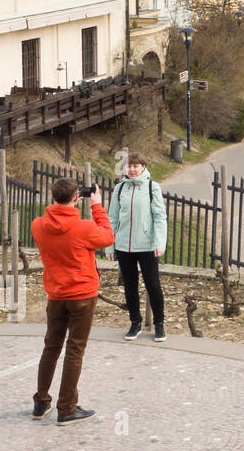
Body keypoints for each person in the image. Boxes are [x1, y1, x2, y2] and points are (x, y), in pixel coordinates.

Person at [31, 178, 113, 424]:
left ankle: (41, 402)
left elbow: (54, 225)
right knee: (75, 350)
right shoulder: (84, 228)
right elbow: (108, 237)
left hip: (55, 294)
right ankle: (66, 407)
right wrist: (97, 206)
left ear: (52, 196)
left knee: (51, 347)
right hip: (82, 295)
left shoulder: (37, 225)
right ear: (78, 198)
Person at [105, 153, 168, 343]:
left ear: (143, 167)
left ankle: (159, 324)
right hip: (124, 246)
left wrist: (159, 242)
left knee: (153, 285)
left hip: (147, 246)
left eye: (135, 166)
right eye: (128, 166)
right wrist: (110, 246)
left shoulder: (152, 187)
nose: (131, 170)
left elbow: (159, 217)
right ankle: (135, 322)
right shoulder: (120, 188)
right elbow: (112, 218)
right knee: (130, 286)